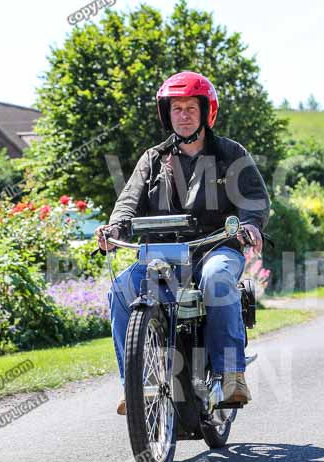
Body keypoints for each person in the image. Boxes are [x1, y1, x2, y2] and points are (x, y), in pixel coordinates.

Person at [94, 71, 270, 415]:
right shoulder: (153, 159)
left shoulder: (230, 154)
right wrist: (115, 229)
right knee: (119, 291)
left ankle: (231, 374)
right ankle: (135, 383)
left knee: (218, 279)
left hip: (215, 247)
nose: (184, 114)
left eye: (191, 107)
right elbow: (129, 201)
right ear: (167, 114)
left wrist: (250, 224)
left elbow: (253, 197)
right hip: (160, 254)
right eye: (177, 109)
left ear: (207, 112)